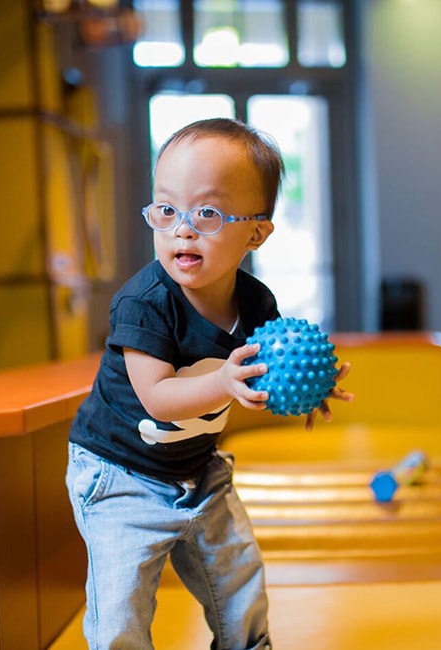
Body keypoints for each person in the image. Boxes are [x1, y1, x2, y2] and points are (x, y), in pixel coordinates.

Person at [66, 117, 353, 650]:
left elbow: (262, 373)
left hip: (199, 470)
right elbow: (158, 397)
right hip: (119, 473)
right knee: (122, 601)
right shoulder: (145, 302)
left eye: (208, 212)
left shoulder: (257, 303)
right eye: (167, 209)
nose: (183, 228)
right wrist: (224, 378)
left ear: (256, 233)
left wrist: (311, 387)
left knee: (239, 578)